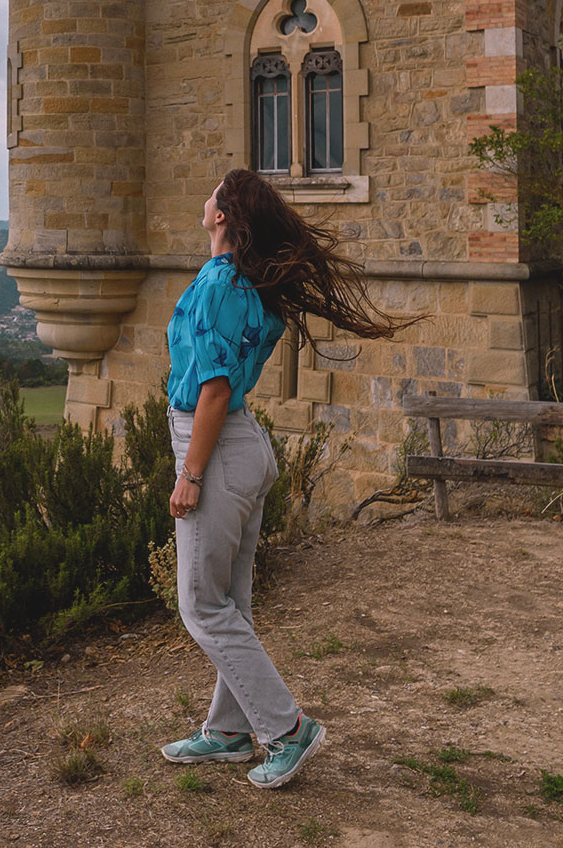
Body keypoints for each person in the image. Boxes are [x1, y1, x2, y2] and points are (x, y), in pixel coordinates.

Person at [157, 167, 408, 789]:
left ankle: (287, 729)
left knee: (201, 606)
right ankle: (231, 730)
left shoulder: (219, 284)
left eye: (214, 190)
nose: (205, 194)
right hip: (245, 447)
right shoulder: (250, 285)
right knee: (230, 603)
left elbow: (213, 390)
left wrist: (190, 474)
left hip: (213, 446)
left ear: (223, 215)